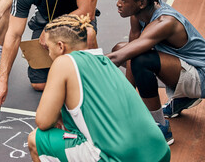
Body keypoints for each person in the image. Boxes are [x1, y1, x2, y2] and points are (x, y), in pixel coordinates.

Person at [27, 14, 170, 162]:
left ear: (60, 46)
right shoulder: (104, 61)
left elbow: (43, 121)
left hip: (117, 158)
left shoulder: (63, 62)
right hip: (159, 152)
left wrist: (56, 113)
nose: (49, 54)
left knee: (36, 140)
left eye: (49, 49)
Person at [107, 0, 205, 145]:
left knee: (142, 60)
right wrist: (127, 99)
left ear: (141, 3)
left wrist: (81, 63)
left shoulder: (165, 22)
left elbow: (124, 58)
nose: (118, 4)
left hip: (201, 75)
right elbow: (129, 52)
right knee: (123, 49)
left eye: (123, 0)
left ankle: (160, 126)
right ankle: (183, 98)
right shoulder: (138, 14)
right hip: (184, 68)